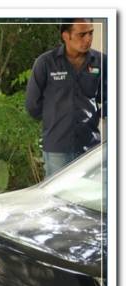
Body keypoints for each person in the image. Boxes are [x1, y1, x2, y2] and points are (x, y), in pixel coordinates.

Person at [25, 18, 107, 178]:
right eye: (82, 34)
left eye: (90, 33)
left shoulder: (101, 61)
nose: (88, 39)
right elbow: (32, 105)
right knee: (58, 193)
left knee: (88, 191)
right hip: (57, 148)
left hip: (90, 146)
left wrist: (100, 113)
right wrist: (55, 118)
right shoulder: (46, 63)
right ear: (66, 36)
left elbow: (111, 96)